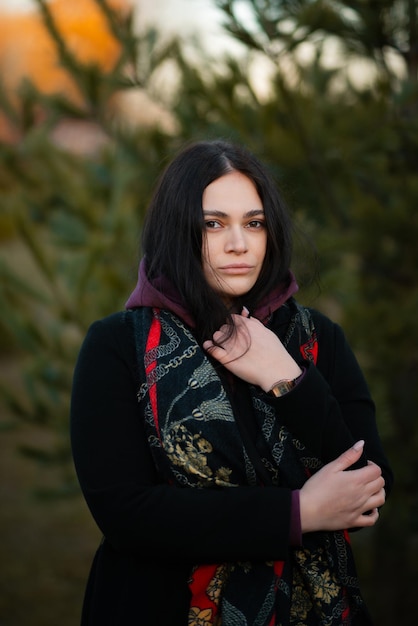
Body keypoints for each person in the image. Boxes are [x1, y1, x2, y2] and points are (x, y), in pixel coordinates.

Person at [70, 139, 393, 626]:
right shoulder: (119, 346)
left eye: (254, 223)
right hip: (161, 606)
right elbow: (127, 515)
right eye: (213, 224)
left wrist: (284, 376)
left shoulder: (314, 340)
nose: (238, 244)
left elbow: (367, 481)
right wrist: (297, 513)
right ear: (178, 232)